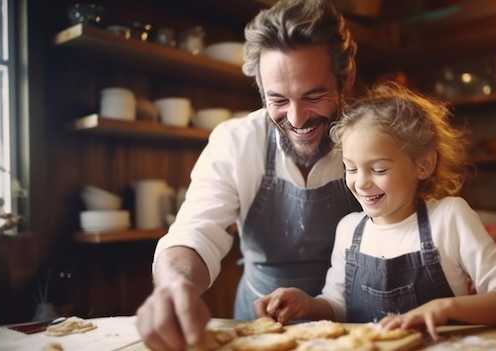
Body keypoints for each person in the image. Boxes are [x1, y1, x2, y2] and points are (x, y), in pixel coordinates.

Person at [135, 0, 362, 349]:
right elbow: (195, 232)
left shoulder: (374, 139)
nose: (298, 119)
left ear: (345, 81)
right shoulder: (236, 141)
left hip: (354, 330)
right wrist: (173, 286)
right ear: (260, 89)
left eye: (314, 96)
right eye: (279, 100)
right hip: (259, 329)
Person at [254, 81, 496, 341]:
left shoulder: (449, 218)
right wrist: (307, 303)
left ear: (423, 165)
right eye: (350, 168)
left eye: (378, 169)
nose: (361, 182)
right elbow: (338, 307)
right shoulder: (349, 230)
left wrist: (446, 309)